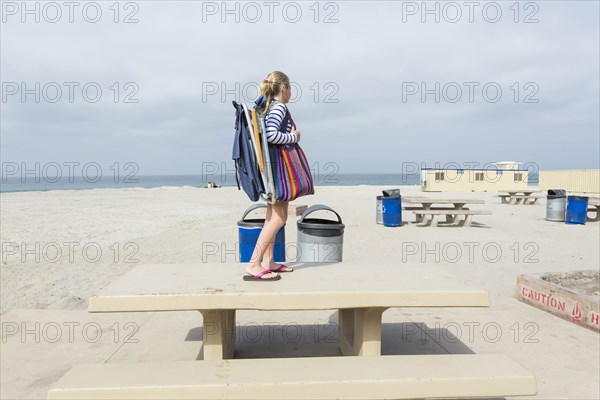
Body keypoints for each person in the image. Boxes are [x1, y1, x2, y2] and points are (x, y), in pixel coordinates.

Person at [243, 71, 301, 281]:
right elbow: (271, 135)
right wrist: (293, 137)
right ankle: (253, 264)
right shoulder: (279, 107)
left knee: (271, 217)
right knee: (279, 218)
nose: (291, 92)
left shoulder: (268, 107)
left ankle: (268, 262)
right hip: (279, 170)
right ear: (283, 88)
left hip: (273, 169)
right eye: (290, 87)